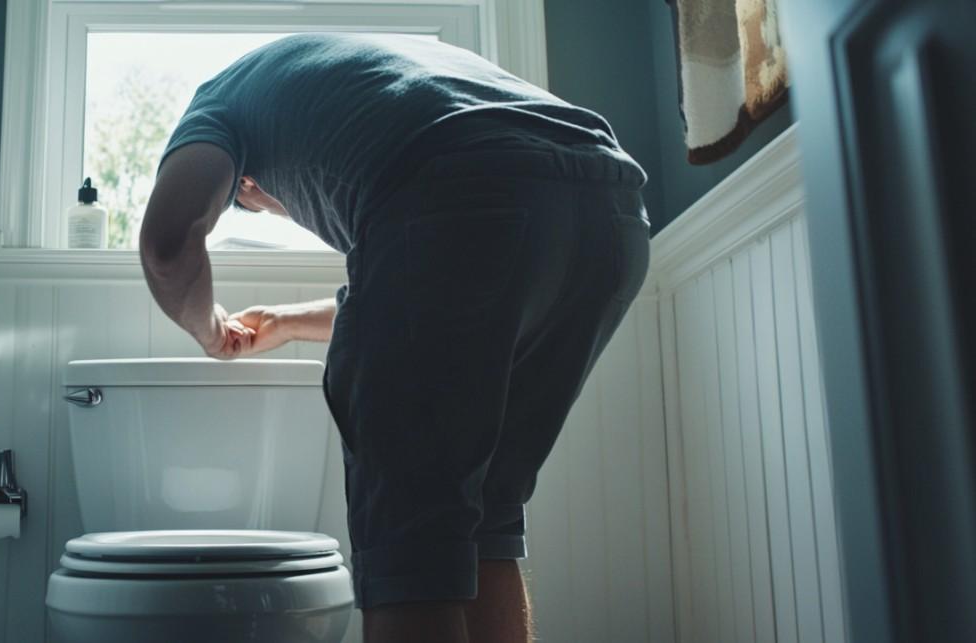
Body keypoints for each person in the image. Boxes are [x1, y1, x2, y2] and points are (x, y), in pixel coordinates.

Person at [138, 33, 650, 643]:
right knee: (483, 517)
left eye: (271, 208)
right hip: (610, 217)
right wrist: (284, 321)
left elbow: (168, 246)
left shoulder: (220, 101)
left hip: (467, 194)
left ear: (245, 185)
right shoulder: (370, 79)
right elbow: (442, 296)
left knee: (413, 546)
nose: (284, 211)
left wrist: (207, 330)